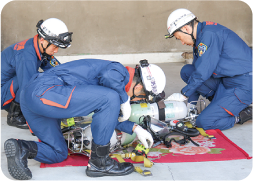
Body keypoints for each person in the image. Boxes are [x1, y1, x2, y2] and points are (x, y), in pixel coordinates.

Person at [4, 59, 166, 179]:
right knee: (111, 98)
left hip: (32, 98)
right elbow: (109, 81)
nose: (138, 101)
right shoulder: (119, 71)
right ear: (139, 87)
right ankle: (99, 162)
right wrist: (124, 99)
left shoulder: (113, 90)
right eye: (143, 98)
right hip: (46, 91)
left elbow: (107, 115)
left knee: (58, 153)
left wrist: (135, 129)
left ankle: (22, 148)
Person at [165, 8, 253, 130]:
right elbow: (197, 70)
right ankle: (219, 104)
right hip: (226, 81)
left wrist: (183, 94)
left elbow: (203, 72)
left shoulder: (208, 35)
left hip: (243, 85)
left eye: (179, 38)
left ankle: (242, 114)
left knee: (204, 122)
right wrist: (191, 105)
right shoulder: (201, 35)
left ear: (186, 28)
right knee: (187, 71)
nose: (182, 43)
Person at [0, 18, 73, 129]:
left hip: (7, 89)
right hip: (2, 95)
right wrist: (37, 121)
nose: (56, 51)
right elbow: (27, 89)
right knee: (35, 80)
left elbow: (58, 70)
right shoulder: (26, 56)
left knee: (43, 77)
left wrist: (74, 85)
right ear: (43, 40)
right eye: (55, 46)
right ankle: (15, 116)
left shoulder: (38, 47)